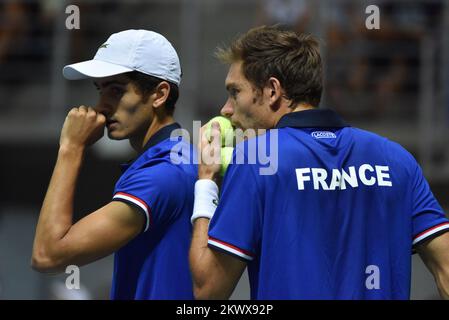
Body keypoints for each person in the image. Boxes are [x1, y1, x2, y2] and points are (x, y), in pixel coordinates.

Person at [189, 25, 449, 300]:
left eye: (234, 92)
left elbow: (207, 291)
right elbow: (445, 269)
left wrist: (206, 183)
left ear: (272, 91)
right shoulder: (397, 159)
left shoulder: (255, 161)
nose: (226, 109)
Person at [32, 29, 196, 300]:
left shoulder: (163, 173)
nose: (101, 106)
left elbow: (47, 254)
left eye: (116, 91)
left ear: (159, 94)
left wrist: (71, 148)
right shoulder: (174, 159)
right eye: (100, 90)